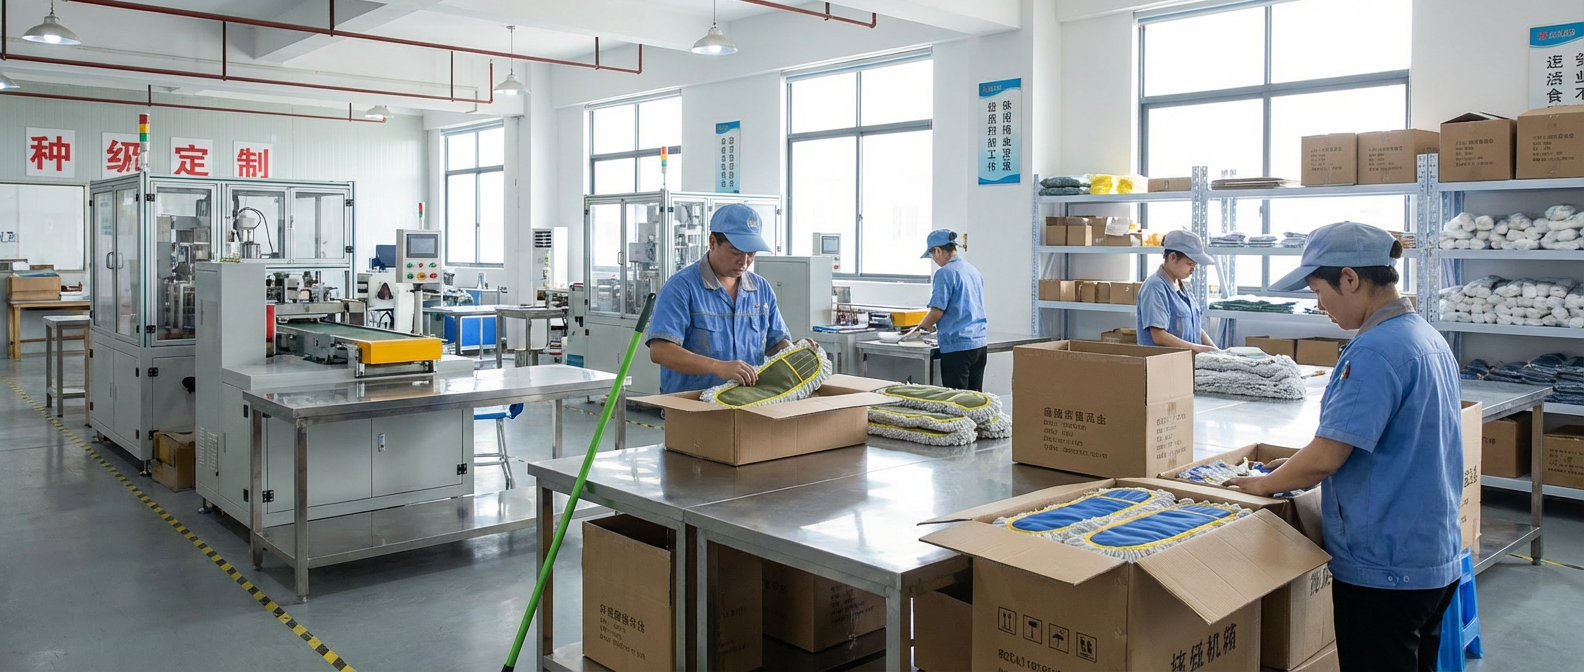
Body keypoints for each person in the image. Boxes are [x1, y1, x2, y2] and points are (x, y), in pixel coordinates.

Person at [1227, 221, 1461, 672]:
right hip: (1432, 556)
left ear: (1350, 279)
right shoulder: (1427, 339)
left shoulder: (1374, 352)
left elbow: (1328, 456)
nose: (1320, 306)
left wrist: (1264, 485)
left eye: (1320, 291)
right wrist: (1293, 462)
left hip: (1385, 571)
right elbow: (1381, 441)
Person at [647, 203, 792, 394]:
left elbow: (777, 343)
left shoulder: (760, 289)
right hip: (692, 407)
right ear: (713, 242)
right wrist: (719, 367)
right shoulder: (681, 288)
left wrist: (798, 351)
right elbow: (660, 351)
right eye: (736, 252)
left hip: (746, 401)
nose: (744, 261)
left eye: (751, 254)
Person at [909, 229, 988, 391]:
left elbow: (937, 311)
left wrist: (921, 328)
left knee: (956, 402)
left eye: (932, 255)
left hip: (958, 347)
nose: (934, 259)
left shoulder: (945, 273)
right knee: (975, 400)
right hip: (979, 344)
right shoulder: (972, 270)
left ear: (937, 250)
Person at [1137, 230, 1219, 353]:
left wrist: (1217, 352)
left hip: (1186, 364)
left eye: (1195, 265)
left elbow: (1195, 328)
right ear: (1173, 257)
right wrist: (1200, 349)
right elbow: (1159, 336)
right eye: (1190, 264)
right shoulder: (1155, 287)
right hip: (1163, 367)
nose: (1192, 270)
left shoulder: (1184, 287)